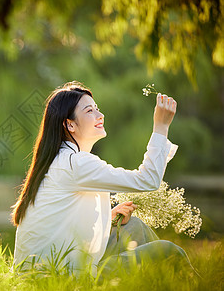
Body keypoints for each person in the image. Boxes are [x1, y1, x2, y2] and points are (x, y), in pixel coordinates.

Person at [11, 81, 191, 278]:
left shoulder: (61, 160)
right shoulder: (76, 163)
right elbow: (148, 180)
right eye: (90, 111)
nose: (100, 115)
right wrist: (161, 126)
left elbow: (61, 222)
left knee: (134, 227)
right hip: (59, 277)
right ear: (69, 124)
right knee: (169, 253)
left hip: (41, 271)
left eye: (97, 109)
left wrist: (108, 218)